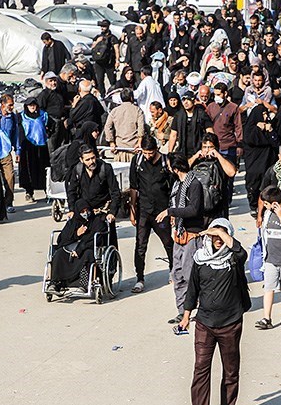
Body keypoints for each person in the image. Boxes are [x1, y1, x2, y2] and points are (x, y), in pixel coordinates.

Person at [180, 217, 251, 405]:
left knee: (230, 369)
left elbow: (241, 253)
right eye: (213, 236)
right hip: (204, 322)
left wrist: (221, 233)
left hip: (230, 322)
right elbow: (192, 289)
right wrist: (186, 315)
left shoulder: (233, 258)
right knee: (201, 368)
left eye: (221, 235)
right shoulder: (200, 258)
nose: (217, 240)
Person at [158, 154, 205, 324]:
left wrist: (171, 212)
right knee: (177, 274)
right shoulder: (177, 184)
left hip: (192, 234)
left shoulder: (194, 185)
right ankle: (181, 310)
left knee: (189, 273)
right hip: (179, 233)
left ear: (176, 168)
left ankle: (196, 308)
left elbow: (194, 210)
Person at [128, 135, 174, 294]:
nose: (148, 156)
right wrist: (132, 211)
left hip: (161, 210)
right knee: (140, 245)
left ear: (156, 149)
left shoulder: (165, 162)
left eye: (151, 153)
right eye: (145, 153)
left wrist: (172, 212)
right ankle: (139, 278)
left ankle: (173, 270)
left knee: (168, 242)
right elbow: (133, 187)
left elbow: (173, 188)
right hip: (143, 211)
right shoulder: (137, 161)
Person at [254, 185, 281, 330]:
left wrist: (280, 215)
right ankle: (267, 317)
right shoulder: (267, 214)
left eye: (266, 204)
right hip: (270, 258)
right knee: (269, 287)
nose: (264, 206)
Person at [64, 144, 120, 248]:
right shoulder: (78, 170)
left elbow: (115, 192)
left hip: (102, 212)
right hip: (84, 212)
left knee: (105, 242)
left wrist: (112, 212)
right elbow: (71, 191)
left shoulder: (105, 168)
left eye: (93, 158)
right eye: (88, 159)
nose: (91, 162)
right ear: (81, 160)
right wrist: (71, 209)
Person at [47, 198, 96, 294]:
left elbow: (95, 239)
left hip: (85, 248)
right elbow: (62, 240)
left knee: (87, 254)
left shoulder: (95, 221)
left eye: (87, 210)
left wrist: (80, 249)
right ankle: (55, 283)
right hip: (70, 247)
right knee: (59, 253)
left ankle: (83, 284)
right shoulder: (72, 222)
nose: (85, 213)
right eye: (82, 211)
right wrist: (76, 234)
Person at [16, 97, 50, 203]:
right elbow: (19, 134)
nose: (32, 106)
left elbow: (50, 127)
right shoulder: (21, 117)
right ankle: (29, 192)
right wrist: (18, 150)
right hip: (27, 147)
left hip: (41, 146)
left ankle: (47, 192)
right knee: (28, 171)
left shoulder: (43, 115)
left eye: (34, 104)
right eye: (30, 105)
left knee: (43, 170)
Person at [103, 87, 145, 163]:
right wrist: (139, 142)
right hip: (134, 148)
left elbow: (107, 127)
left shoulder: (115, 111)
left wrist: (111, 142)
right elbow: (141, 128)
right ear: (132, 98)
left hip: (119, 148)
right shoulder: (137, 110)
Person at [168, 91, 214, 159]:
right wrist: (170, 154)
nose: (186, 102)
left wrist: (208, 149)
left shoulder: (202, 114)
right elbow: (173, 135)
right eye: (183, 100)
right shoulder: (178, 115)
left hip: (199, 152)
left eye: (188, 100)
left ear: (194, 101)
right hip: (182, 151)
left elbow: (210, 133)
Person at [90, 19, 119, 96]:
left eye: (104, 26)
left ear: (108, 27)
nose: (102, 28)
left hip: (109, 63)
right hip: (99, 63)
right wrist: (97, 41)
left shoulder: (113, 38)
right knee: (99, 81)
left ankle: (113, 95)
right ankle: (102, 96)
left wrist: (117, 60)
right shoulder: (97, 37)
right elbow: (92, 48)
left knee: (112, 81)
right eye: (101, 26)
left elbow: (116, 49)